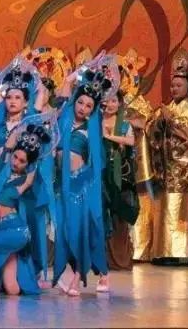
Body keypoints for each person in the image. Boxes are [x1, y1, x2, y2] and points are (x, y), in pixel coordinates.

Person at [53, 55, 112, 295]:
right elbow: (66, 84)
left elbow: (97, 162)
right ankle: (70, 273)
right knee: (64, 231)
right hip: (62, 185)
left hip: (80, 185)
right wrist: (86, 67)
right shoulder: (62, 118)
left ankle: (80, 277)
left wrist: (85, 182)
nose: (83, 108)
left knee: (82, 231)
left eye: (89, 106)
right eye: (81, 102)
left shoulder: (91, 130)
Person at [0, 120, 53, 296]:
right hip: (0, 230)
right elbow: (3, 158)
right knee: (12, 289)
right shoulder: (1, 173)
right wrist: (9, 145)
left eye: (22, 161)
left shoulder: (23, 181)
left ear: (28, 164)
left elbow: (31, 177)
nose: (16, 162)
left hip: (16, 231)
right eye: (15, 157)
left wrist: (36, 153)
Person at [147, 51, 188, 265]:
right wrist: (158, 122)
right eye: (172, 86)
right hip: (168, 170)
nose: (174, 89)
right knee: (169, 209)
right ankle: (167, 252)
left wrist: (171, 121)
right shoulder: (165, 109)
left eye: (179, 86)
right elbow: (150, 131)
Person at [101, 90, 139, 271]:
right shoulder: (95, 122)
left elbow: (131, 141)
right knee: (102, 215)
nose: (110, 104)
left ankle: (120, 259)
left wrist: (109, 137)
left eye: (114, 101)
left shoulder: (123, 124)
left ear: (119, 104)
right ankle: (101, 259)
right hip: (100, 174)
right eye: (107, 100)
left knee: (119, 216)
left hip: (119, 175)